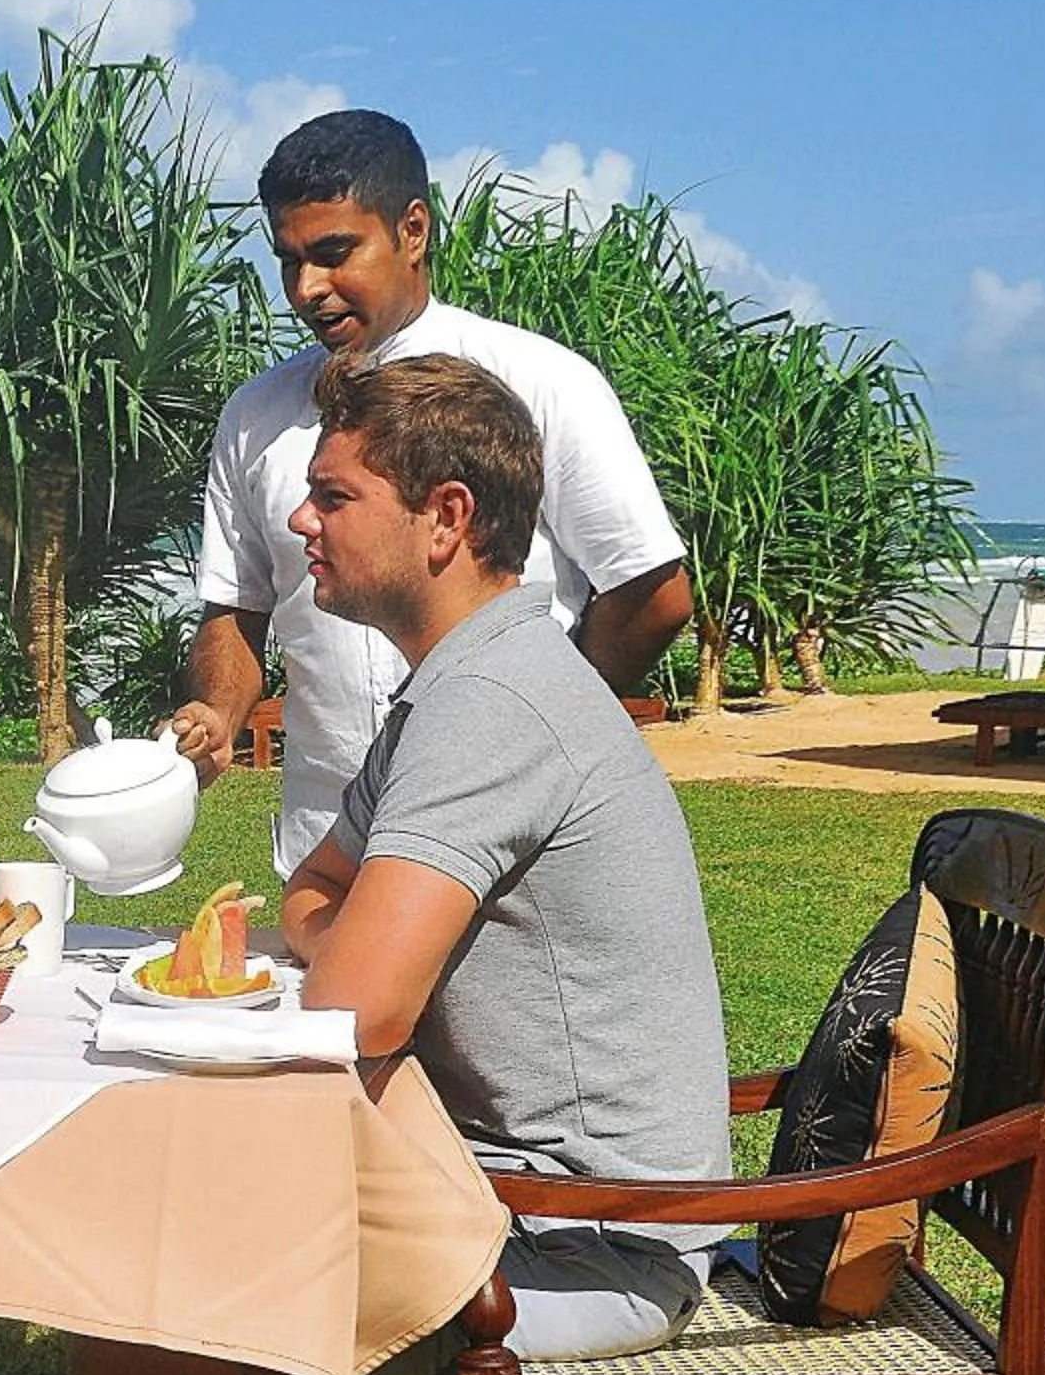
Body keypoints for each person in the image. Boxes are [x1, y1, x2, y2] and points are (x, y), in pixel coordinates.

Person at [73, 353, 732, 1375]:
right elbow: (311, 896)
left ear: (442, 516)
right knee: (152, 1309)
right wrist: (347, 928)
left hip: (589, 1232)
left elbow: (355, 1000)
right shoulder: (452, 688)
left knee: (161, 1365)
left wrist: (351, 935)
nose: (300, 525)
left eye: (330, 495)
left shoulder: (494, 705)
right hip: (489, 1173)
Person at [167, 109, 696, 884]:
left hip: (511, 858)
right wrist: (219, 712)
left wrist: (536, 734)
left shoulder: (539, 383)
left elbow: (651, 588)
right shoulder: (256, 418)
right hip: (326, 859)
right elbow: (236, 608)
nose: (308, 289)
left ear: (412, 231)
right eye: (288, 262)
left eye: (334, 253)